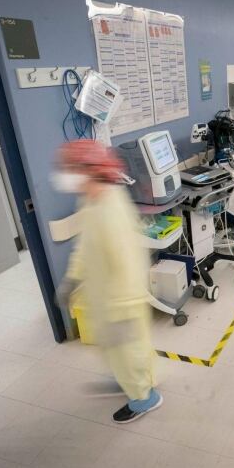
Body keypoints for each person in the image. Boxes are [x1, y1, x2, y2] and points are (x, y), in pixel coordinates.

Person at [54, 140, 162, 424]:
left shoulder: (111, 208)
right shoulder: (91, 199)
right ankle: (129, 380)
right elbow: (84, 245)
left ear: (90, 171)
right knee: (119, 352)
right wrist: (71, 279)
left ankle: (144, 397)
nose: (66, 175)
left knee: (130, 351)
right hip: (105, 296)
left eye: (72, 169)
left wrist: (121, 311)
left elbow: (126, 263)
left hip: (122, 301)